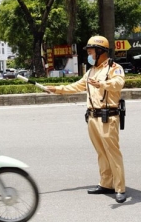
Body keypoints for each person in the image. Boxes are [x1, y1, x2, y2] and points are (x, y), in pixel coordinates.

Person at [46, 36, 126, 204]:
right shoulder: (90, 71)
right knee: (101, 153)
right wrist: (56, 89)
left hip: (108, 117)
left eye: (91, 51)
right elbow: (76, 86)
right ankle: (106, 183)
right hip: (92, 117)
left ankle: (119, 188)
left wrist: (102, 84)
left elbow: (118, 84)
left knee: (112, 153)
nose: (89, 54)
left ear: (100, 51)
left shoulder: (114, 68)